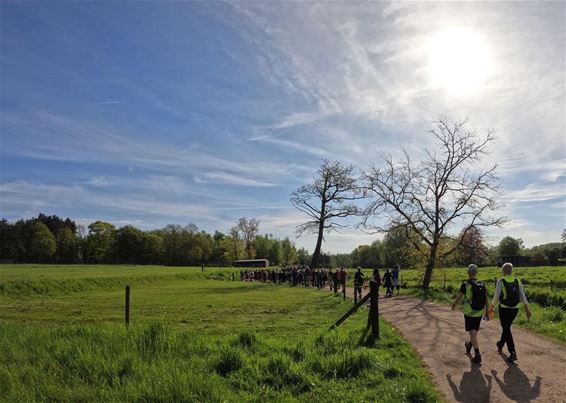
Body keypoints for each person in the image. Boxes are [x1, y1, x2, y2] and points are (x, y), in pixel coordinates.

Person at [489, 262, 532, 363]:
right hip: (515, 309)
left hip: (504, 308)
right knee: (506, 327)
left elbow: (496, 297)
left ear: (503, 271)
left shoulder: (501, 281)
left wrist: (490, 307)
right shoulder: (517, 280)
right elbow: (523, 297)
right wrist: (527, 310)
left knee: (506, 328)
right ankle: (500, 344)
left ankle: (512, 352)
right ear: (511, 271)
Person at [451, 264, 488, 364]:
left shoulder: (465, 285)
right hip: (480, 311)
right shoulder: (482, 284)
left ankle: (477, 354)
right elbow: (486, 299)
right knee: (474, 331)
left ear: (468, 272)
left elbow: (459, 297)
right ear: (476, 273)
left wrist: (454, 305)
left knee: (472, 332)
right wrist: (487, 311)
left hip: (469, 312)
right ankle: (469, 345)